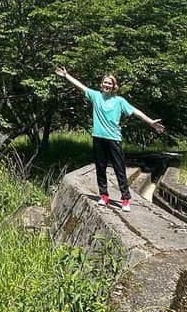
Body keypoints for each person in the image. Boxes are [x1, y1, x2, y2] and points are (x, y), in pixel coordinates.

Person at [53, 65, 165, 210]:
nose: (107, 85)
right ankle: (104, 196)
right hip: (98, 137)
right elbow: (81, 86)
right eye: (105, 82)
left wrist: (150, 122)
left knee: (119, 169)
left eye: (109, 83)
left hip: (113, 138)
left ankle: (125, 199)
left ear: (114, 86)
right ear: (101, 85)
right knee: (100, 167)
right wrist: (66, 76)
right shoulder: (95, 96)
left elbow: (135, 111)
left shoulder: (119, 101)